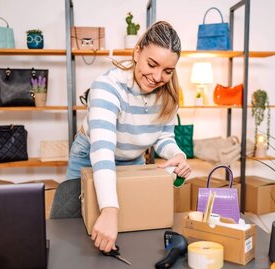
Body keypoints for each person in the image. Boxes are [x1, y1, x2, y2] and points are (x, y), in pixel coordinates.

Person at [66, 21, 191, 253]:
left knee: (130, 234)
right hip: (89, 159)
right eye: (151, 64)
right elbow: (102, 149)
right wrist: (109, 210)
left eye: (167, 71)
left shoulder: (169, 96)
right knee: (72, 233)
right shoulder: (108, 86)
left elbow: (164, 137)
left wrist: (178, 155)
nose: (156, 77)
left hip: (132, 162)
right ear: (137, 52)